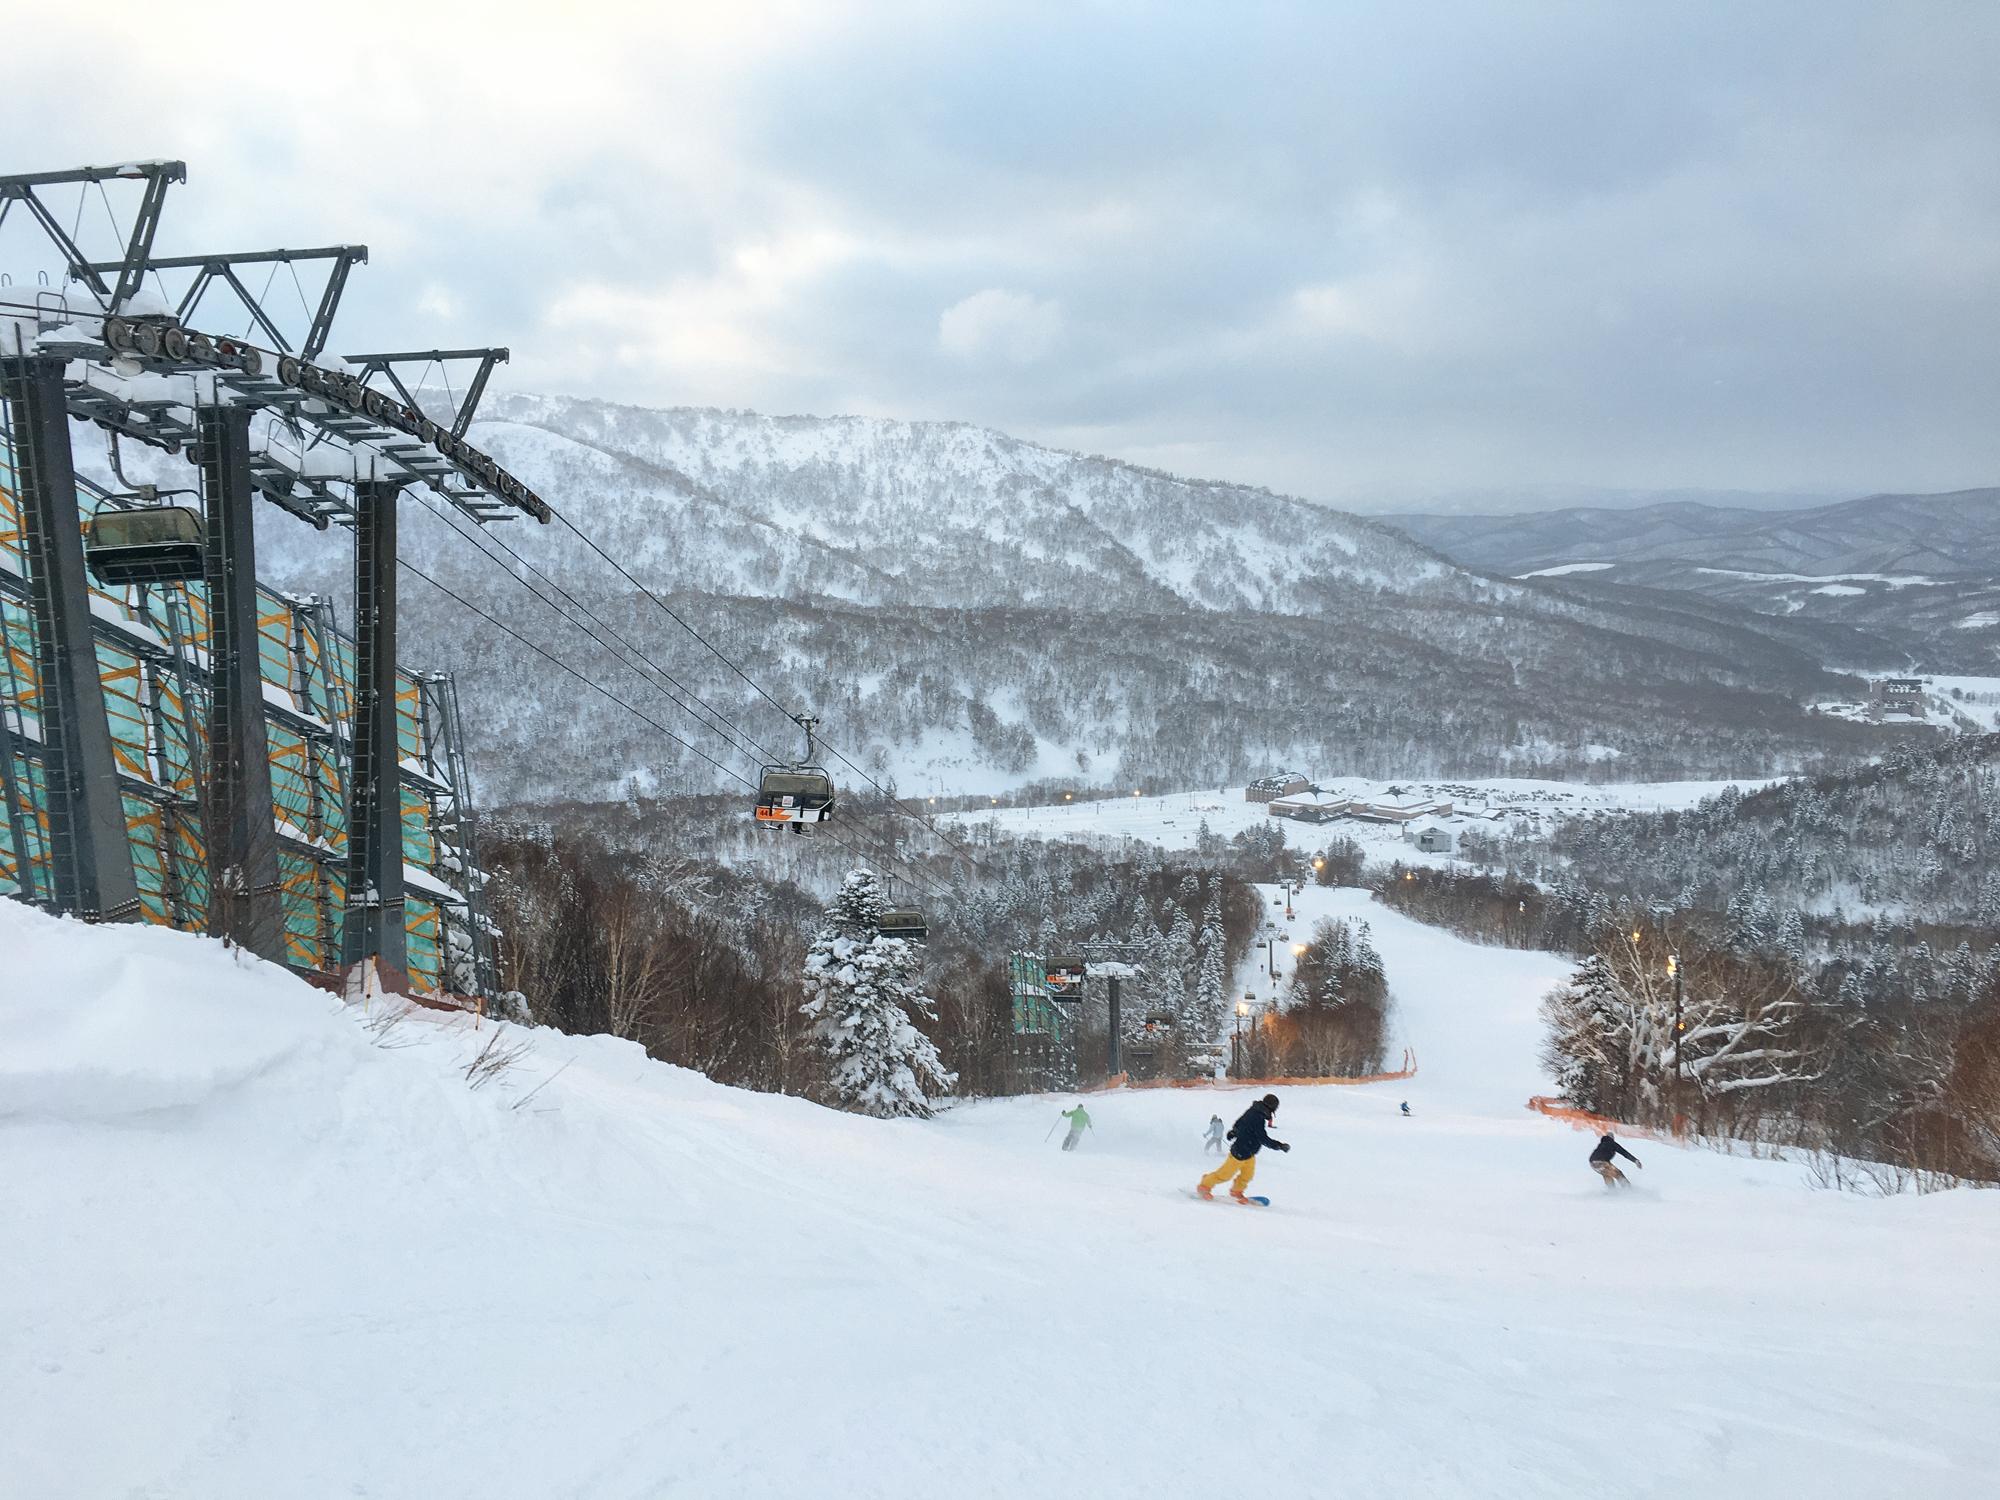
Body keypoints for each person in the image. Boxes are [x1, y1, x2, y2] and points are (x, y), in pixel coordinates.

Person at [1196, 1094, 1289, 1200]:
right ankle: (1205, 1185)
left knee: (1247, 1175)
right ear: (1272, 1107)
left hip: (1249, 1153)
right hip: (1239, 1152)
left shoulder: (1254, 1111)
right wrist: (1279, 1146)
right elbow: (1262, 1138)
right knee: (1224, 1175)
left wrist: (1234, 1131)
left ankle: (1237, 1190)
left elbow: (1240, 1122)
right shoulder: (1258, 1117)